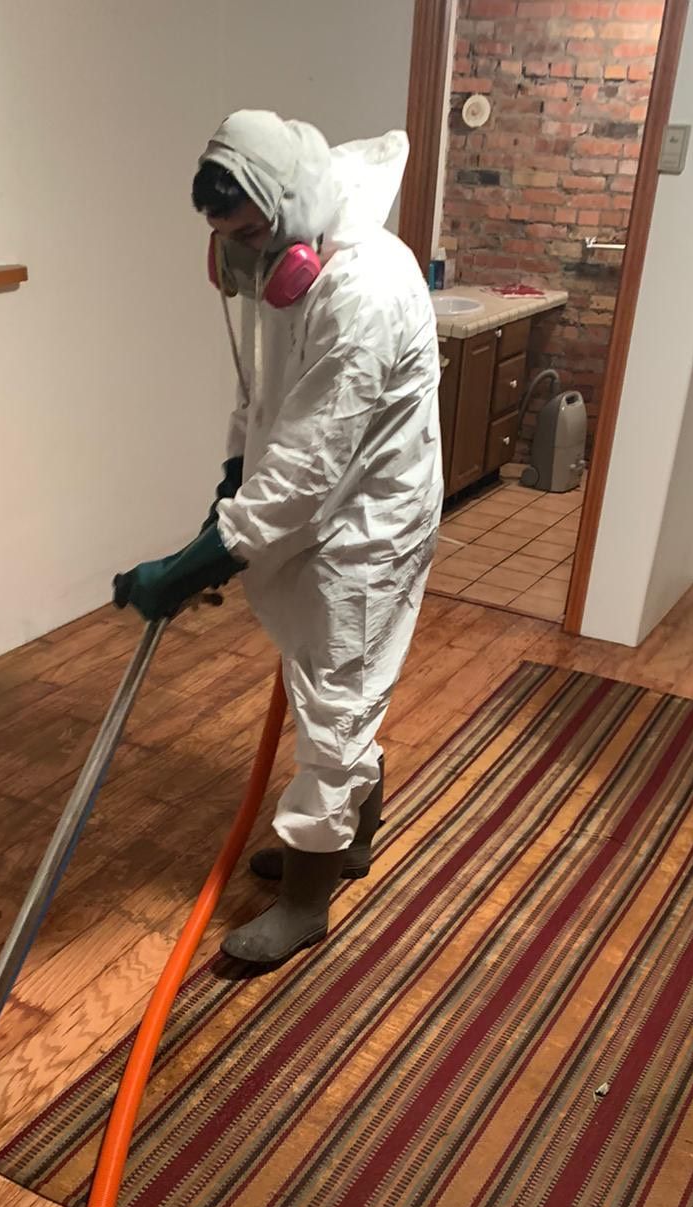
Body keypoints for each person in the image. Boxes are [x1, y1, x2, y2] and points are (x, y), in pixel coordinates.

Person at [114, 110, 443, 964]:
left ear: (294, 211)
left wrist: (194, 565)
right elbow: (262, 401)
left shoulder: (365, 288)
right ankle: (344, 846)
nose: (242, 258)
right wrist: (231, 481)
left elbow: (308, 466)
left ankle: (305, 901)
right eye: (229, 239)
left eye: (251, 236)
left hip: (371, 518)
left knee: (337, 701)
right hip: (315, 504)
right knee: (327, 688)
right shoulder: (279, 267)